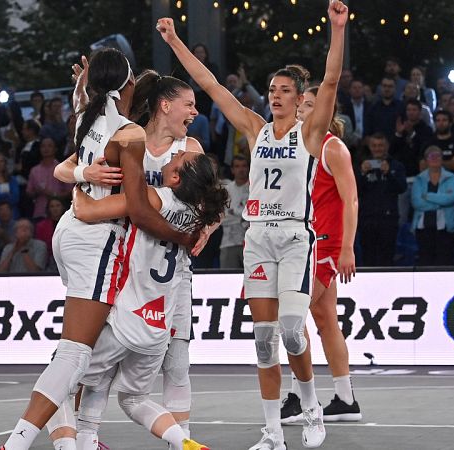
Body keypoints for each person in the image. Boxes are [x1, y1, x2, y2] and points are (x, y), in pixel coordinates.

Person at [159, 2, 348, 448]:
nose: (276, 95)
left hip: (296, 237)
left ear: (301, 97)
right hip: (258, 237)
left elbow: (333, 79)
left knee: (290, 332)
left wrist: (338, 30)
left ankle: (311, 407)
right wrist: (173, 41)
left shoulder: (310, 133)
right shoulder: (255, 128)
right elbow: (207, 83)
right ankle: (272, 433)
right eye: (272, 89)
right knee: (264, 343)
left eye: (285, 90)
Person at [0, 48, 196, 450]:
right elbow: (140, 209)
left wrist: (81, 178)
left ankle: (76, 439)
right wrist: (181, 236)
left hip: (70, 230)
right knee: (75, 355)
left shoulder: (87, 112)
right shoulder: (131, 133)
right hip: (98, 238)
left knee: (80, 351)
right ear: (128, 86)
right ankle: (22, 442)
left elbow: (67, 165)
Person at [54, 67, 207, 442]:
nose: (196, 113)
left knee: (172, 362)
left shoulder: (188, 152)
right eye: (189, 104)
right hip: (126, 262)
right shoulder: (129, 136)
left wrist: (205, 228)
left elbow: (210, 203)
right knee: (104, 367)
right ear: (165, 105)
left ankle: (80, 434)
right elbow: (66, 166)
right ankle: (88, 435)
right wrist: (84, 173)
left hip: (164, 272)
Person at [64, 150, 225, 450]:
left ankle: (75, 442)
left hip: (126, 315)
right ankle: (185, 442)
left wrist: (80, 185)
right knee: (135, 399)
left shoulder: (151, 199)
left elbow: (85, 210)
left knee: (65, 381)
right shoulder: (198, 215)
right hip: (157, 328)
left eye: (179, 157)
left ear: (176, 177)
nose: (175, 151)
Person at [281, 86, 360, 424]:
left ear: (325, 109)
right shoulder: (299, 147)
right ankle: (345, 399)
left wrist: (346, 248)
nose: (301, 109)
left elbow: (352, 199)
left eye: (310, 104)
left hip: (325, 244)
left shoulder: (333, 147)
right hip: (307, 242)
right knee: (326, 321)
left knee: (292, 319)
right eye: (301, 104)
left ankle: (301, 396)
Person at [356, 134, 407, 266]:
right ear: (370, 147)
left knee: (387, 256)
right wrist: (362, 173)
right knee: (368, 256)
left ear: (387, 147)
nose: (378, 149)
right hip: (367, 218)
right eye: (374, 146)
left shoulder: (396, 166)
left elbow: (402, 188)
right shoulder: (362, 165)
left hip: (388, 219)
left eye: (381, 145)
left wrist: (388, 173)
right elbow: (354, 191)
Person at [411, 146, 454, 266]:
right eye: (431, 156)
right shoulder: (419, 179)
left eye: (438, 156)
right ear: (426, 160)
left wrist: (428, 196)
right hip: (423, 228)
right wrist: (441, 202)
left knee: (444, 261)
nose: (435, 158)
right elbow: (417, 203)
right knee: (425, 262)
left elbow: (452, 198)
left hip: (446, 229)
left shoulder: (451, 177)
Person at [220, 155, 249, 269]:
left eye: (244, 166)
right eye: (237, 166)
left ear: (249, 168)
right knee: (227, 281)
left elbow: (256, 215)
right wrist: (243, 216)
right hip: (228, 242)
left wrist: (233, 212)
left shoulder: (256, 188)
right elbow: (222, 217)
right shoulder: (226, 190)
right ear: (232, 170)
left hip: (250, 243)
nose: (241, 169)